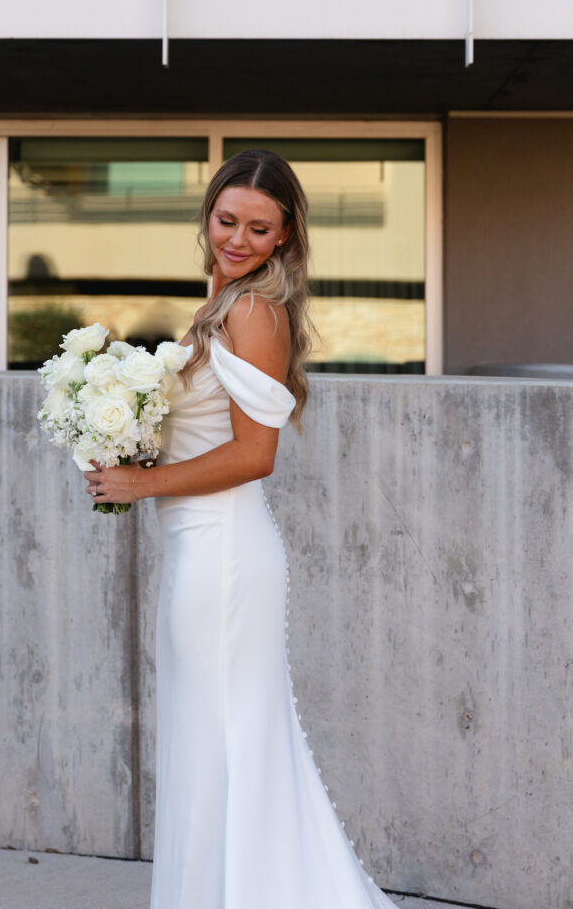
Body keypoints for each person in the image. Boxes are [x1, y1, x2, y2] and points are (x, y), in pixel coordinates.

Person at [83, 150, 398, 909]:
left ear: (285, 236)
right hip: (199, 549)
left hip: (223, 556)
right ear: (208, 216)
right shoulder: (219, 304)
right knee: (209, 745)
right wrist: (118, 435)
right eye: (227, 220)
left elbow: (256, 454)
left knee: (226, 745)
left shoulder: (256, 310)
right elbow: (202, 431)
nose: (238, 238)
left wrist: (142, 482)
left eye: (259, 228)